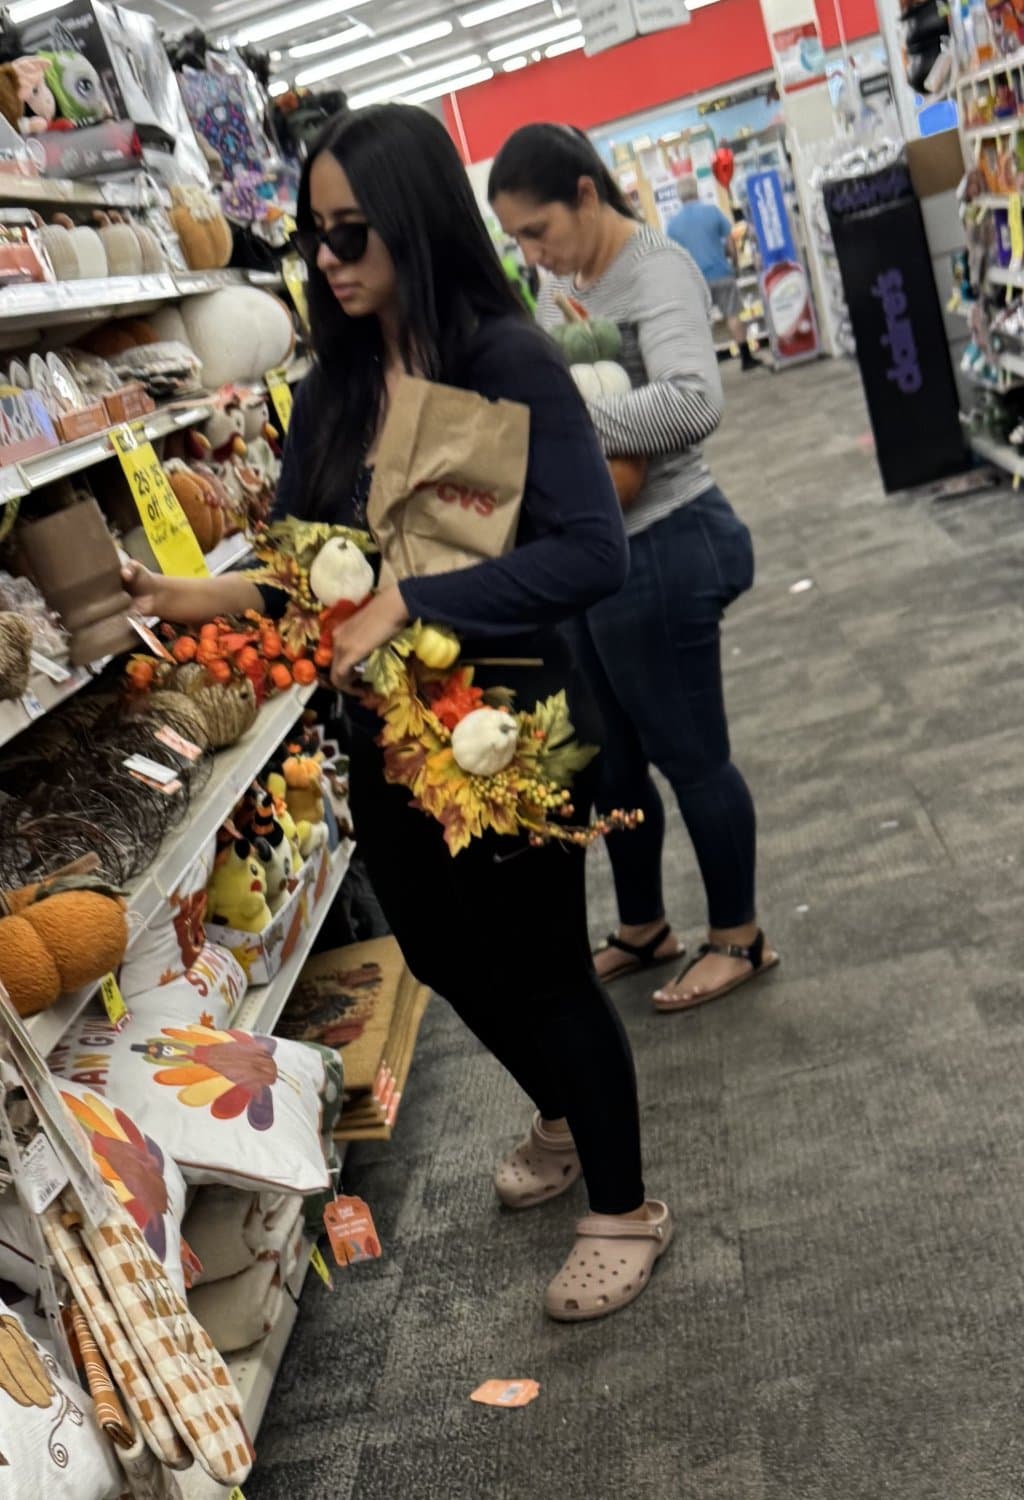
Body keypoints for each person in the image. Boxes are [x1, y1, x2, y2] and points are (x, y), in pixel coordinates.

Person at [122, 104, 671, 1323]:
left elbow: (591, 554)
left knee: (542, 966)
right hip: (382, 731)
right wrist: (184, 591)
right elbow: (302, 568)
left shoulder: (506, 360)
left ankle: (624, 1204)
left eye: (350, 230)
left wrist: (420, 596)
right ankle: (565, 1115)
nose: (326, 257)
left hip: (505, 722)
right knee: (437, 947)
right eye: (312, 234)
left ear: (415, 220)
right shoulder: (333, 389)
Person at [489, 123, 777, 1012]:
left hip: (668, 539)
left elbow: (695, 400)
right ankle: (645, 925)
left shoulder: (656, 271)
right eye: (519, 241)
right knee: (611, 762)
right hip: (593, 554)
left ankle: (738, 937)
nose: (534, 253)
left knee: (692, 755)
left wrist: (561, 429)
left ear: (586, 193)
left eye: (539, 230)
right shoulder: (561, 281)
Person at [666, 175, 761, 372]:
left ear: (679, 196)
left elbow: (674, 257)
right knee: (733, 315)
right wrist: (734, 265)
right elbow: (730, 242)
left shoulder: (673, 225)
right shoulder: (712, 212)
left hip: (694, 281)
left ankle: (708, 367)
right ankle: (746, 358)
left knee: (701, 324)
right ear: (696, 191)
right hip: (721, 273)